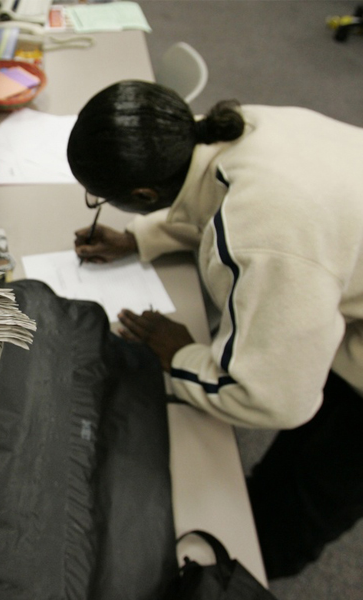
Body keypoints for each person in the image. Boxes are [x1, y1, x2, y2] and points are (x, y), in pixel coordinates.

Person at [66, 79, 363, 580]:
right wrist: (140, 237)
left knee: (309, 498)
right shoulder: (231, 126)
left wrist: (180, 354)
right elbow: (211, 200)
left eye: (102, 199)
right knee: (301, 451)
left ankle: (253, 568)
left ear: (144, 194)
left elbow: (273, 398)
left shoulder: (267, 235)